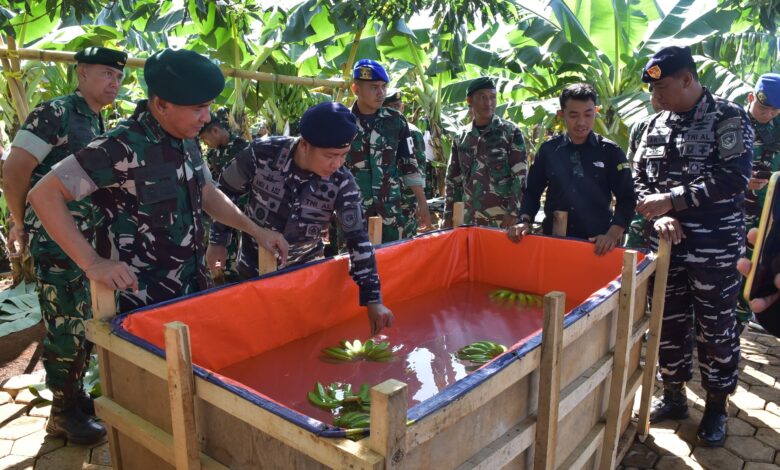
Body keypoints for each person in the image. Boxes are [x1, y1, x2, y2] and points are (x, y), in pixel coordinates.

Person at [28, 48, 288, 329]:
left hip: (190, 289)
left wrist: (256, 231)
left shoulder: (186, 139)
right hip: (139, 303)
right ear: (162, 105)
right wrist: (91, 262)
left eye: (209, 107)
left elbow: (207, 194)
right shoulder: (119, 146)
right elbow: (44, 194)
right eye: (198, 109)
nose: (207, 118)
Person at [3, 46, 127, 444]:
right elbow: (15, 169)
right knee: (64, 321)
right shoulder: (55, 112)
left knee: (84, 317)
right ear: (82, 73)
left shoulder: (94, 117)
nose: (115, 82)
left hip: (85, 240)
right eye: (106, 73)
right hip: (56, 240)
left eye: (119, 76)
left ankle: (75, 397)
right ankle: (61, 412)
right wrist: (19, 221)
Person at [633, 46, 753, 446]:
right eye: (652, 90)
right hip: (666, 248)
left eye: (662, 88)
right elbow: (637, 180)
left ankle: (717, 406)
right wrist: (657, 214)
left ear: (687, 79)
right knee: (668, 324)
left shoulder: (727, 118)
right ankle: (674, 396)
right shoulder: (651, 125)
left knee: (716, 329)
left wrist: (672, 200)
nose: (656, 97)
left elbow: (733, 177)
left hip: (714, 250)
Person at [206, 102, 394, 335]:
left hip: (306, 274)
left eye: (343, 155)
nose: (337, 164)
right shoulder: (262, 153)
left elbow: (357, 239)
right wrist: (218, 241)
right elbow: (225, 192)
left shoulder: (341, 182)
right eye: (330, 156)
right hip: (254, 269)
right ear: (305, 145)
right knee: (256, 333)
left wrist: (373, 299)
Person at [508, 83, 636, 256]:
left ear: (596, 111)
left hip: (596, 245)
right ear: (561, 114)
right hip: (554, 241)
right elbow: (532, 191)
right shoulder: (548, 150)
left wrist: (612, 235)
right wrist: (524, 220)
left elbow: (627, 198)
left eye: (588, 114)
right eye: (574, 115)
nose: (581, 122)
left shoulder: (610, 152)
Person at [345, 59, 431, 242]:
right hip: (354, 211)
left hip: (391, 211)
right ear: (356, 89)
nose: (381, 93)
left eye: (383, 87)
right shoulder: (342, 121)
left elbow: (409, 163)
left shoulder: (396, 121)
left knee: (396, 256)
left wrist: (422, 201)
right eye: (374, 87)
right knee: (355, 258)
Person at [443, 77, 528, 228]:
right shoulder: (461, 136)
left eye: (492, 97)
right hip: (468, 219)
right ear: (469, 100)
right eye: (482, 97)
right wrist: (449, 215)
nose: (488, 103)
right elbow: (453, 180)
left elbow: (520, 175)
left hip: (501, 219)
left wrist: (513, 212)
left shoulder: (510, 132)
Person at [736, 73, 780, 330]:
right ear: (751, 97)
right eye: (764, 108)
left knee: (756, 273)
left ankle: (738, 324)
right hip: (732, 212)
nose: (769, 114)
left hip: (768, 216)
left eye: (775, 110)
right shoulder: (732, 123)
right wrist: (743, 181)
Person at [199, 108, 250, 281]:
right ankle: (223, 277)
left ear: (215, 131)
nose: (206, 144)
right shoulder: (212, 154)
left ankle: (239, 278)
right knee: (222, 252)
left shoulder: (244, 148)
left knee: (243, 252)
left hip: (243, 212)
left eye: (205, 138)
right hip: (221, 213)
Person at [382, 89, 432, 236]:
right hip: (385, 195)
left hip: (405, 197)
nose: (394, 111)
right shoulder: (379, 129)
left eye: (397, 106)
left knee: (404, 237)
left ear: (402, 107)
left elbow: (418, 167)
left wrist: (419, 200)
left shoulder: (412, 132)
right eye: (390, 107)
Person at [625, 95, 664, 249]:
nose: (659, 99)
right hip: (642, 209)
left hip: (673, 211)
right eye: (655, 93)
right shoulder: (642, 126)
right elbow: (632, 168)